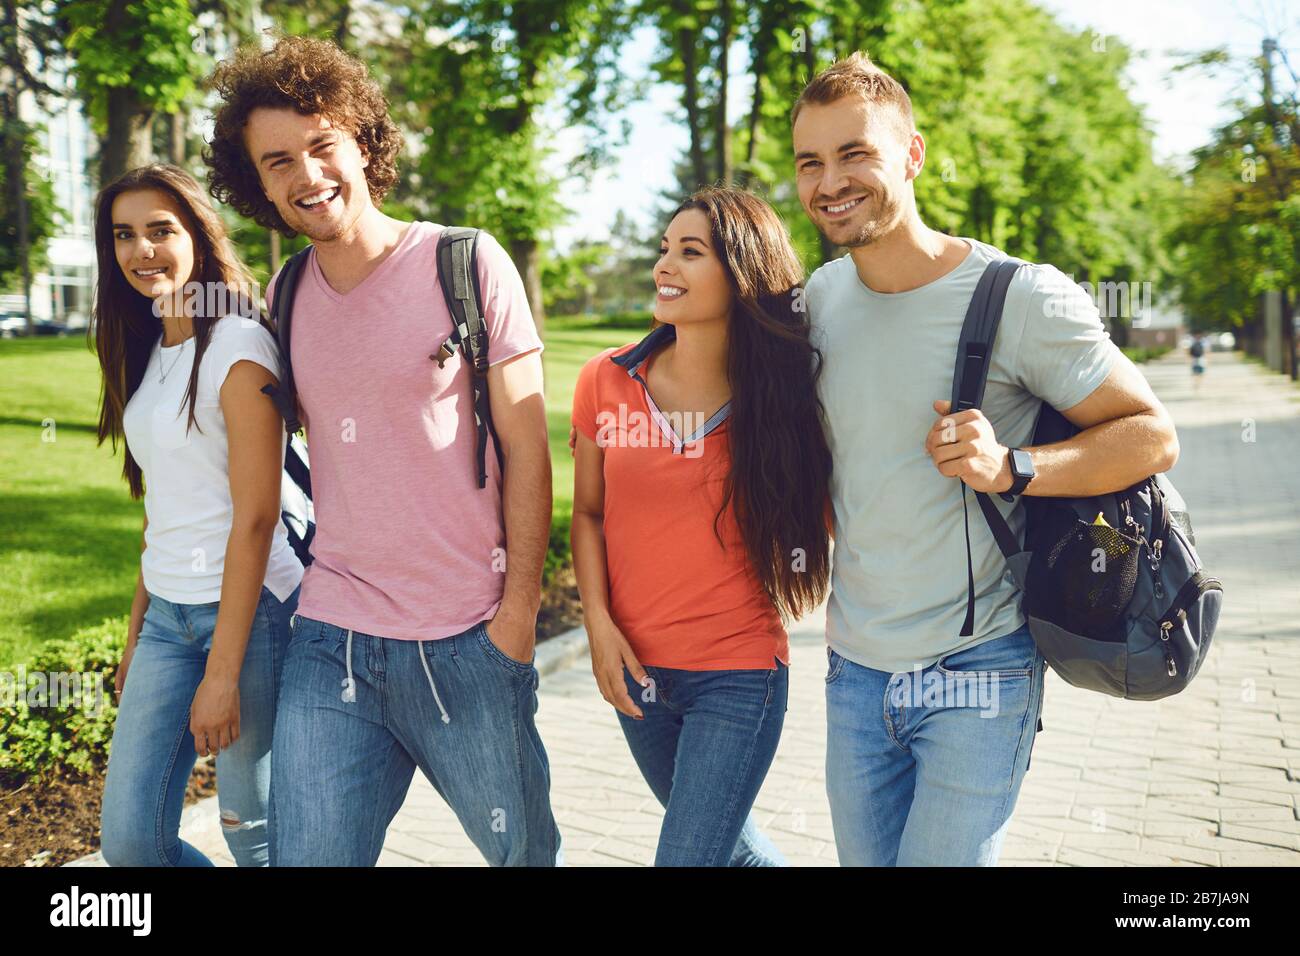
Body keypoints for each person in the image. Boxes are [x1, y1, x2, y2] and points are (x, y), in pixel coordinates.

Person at [791, 53, 1180, 866]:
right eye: (811, 162)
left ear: (913, 155)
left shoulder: (1020, 297)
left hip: (981, 669)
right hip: (854, 674)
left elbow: (1150, 434)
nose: (831, 181)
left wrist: (1014, 467)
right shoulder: (820, 301)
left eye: (855, 153)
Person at [205, 36, 560, 866]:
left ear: (362, 142)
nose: (306, 175)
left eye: (322, 145)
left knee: (523, 857)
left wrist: (516, 618)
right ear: (258, 182)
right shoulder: (286, 295)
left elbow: (529, 450)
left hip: (467, 638)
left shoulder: (463, 264)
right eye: (278, 161)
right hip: (334, 638)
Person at [570, 186, 832, 866]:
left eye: (691, 253)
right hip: (639, 676)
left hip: (738, 676)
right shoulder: (607, 380)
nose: (666, 267)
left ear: (742, 275)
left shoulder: (782, 401)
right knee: (732, 853)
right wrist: (598, 625)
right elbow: (590, 513)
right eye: (664, 250)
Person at [95, 164, 303, 867]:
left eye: (161, 230)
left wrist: (222, 673)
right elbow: (163, 512)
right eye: (124, 235)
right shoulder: (148, 347)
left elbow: (256, 517)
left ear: (198, 237)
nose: (140, 250)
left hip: (250, 616)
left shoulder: (239, 346)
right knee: (130, 843)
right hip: (167, 619)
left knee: (256, 836)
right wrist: (136, 639)